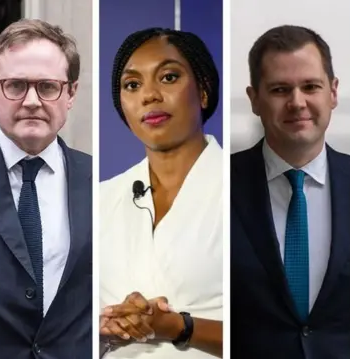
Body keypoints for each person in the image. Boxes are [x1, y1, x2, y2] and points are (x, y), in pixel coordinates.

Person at [0, 19, 91, 358]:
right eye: (16, 85)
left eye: (48, 87)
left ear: (71, 93)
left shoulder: (100, 182)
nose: (32, 101)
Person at [230, 25, 350, 358]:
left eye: (310, 86)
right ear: (254, 99)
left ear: (333, 92)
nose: (297, 102)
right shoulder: (216, 186)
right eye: (280, 90)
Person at [99, 28, 223, 358]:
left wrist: (178, 326)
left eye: (168, 77)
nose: (149, 95)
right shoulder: (99, 201)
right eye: (132, 85)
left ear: (204, 91)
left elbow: (276, 334)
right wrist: (106, 326)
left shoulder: (244, 189)